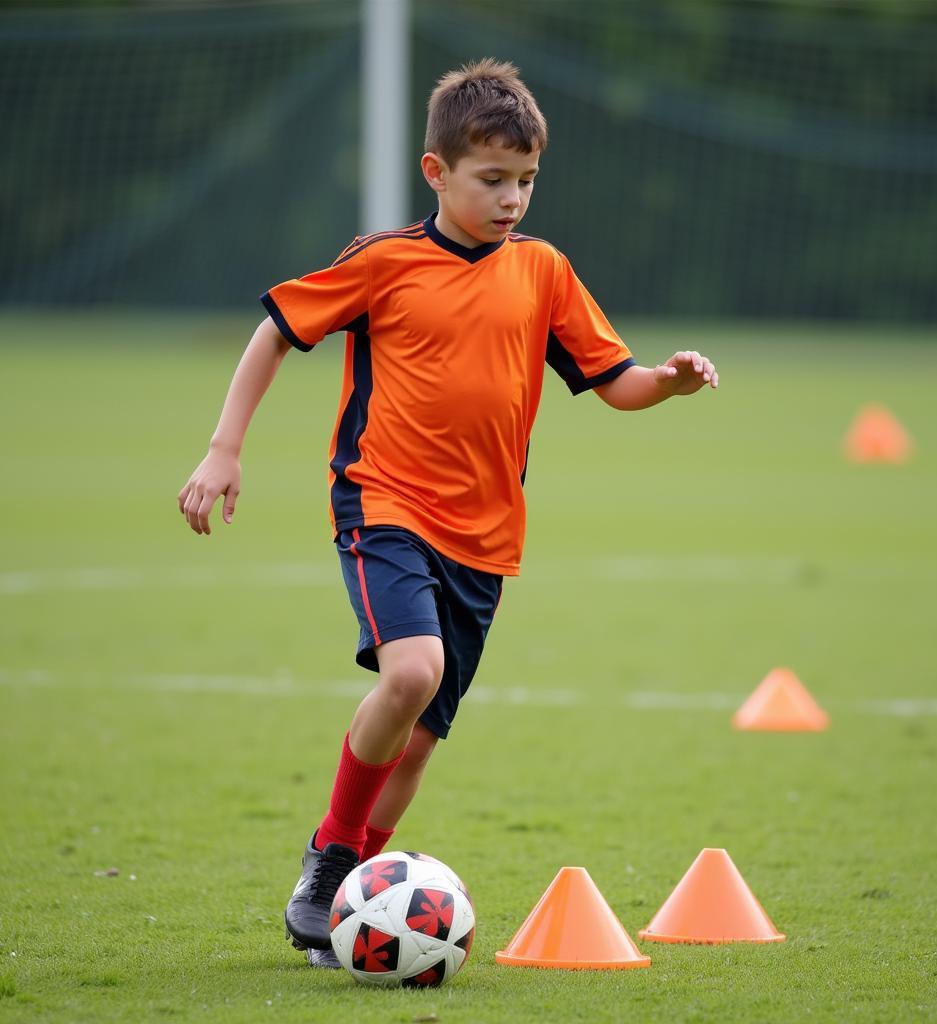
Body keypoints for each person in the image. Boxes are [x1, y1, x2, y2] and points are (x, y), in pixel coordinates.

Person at [177, 58, 718, 968]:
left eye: (527, 181)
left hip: (488, 535)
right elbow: (277, 328)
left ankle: (356, 905)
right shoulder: (385, 262)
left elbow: (611, 381)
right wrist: (224, 447)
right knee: (411, 673)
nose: (513, 199)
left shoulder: (543, 272)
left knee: (421, 739)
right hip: (382, 498)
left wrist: (665, 382)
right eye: (493, 180)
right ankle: (330, 861)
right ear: (438, 172)